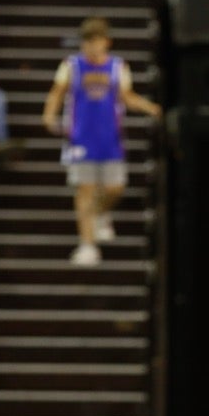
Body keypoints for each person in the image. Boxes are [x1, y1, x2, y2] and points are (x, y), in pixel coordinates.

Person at [42, 17, 164, 266]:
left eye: (96, 42)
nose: (92, 48)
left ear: (106, 42)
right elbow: (57, 93)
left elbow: (127, 97)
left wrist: (149, 107)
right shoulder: (71, 66)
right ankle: (87, 245)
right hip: (80, 137)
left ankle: (101, 214)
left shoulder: (118, 67)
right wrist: (49, 115)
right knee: (84, 190)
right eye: (88, 43)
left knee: (114, 188)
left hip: (109, 139)